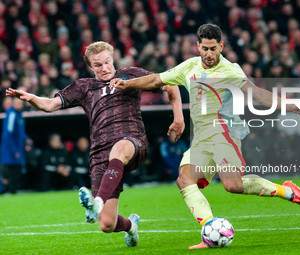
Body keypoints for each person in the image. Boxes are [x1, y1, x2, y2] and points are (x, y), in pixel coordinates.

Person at [111, 24, 300, 249]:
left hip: (224, 135)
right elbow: (155, 80)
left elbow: (257, 93)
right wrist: (127, 84)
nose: (209, 54)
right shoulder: (188, 67)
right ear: (197, 46)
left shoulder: (230, 71)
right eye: (205, 49)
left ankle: (289, 192)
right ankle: (209, 229)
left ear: (221, 46)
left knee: (233, 185)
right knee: (184, 180)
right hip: (201, 139)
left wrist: (290, 105)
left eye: (213, 48)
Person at [6, 41, 184, 247]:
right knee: (107, 224)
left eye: (107, 62)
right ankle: (130, 226)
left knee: (119, 148)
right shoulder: (84, 87)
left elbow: (170, 83)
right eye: (98, 65)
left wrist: (178, 118)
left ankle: (95, 202)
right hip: (100, 153)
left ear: (113, 59)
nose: (105, 68)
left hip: (132, 142)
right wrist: (30, 98)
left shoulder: (131, 74)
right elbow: (50, 105)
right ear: (91, 67)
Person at [0, 97, 28, 194]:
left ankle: (13, 191)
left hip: (18, 149)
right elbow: (8, 135)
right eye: (17, 102)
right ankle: (11, 191)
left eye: (21, 103)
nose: (20, 104)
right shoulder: (12, 115)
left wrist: (27, 139)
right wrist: (14, 150)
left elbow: (20, 133)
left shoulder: (19, 115)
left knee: (17, 171)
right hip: (11, 150)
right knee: (12, 172)